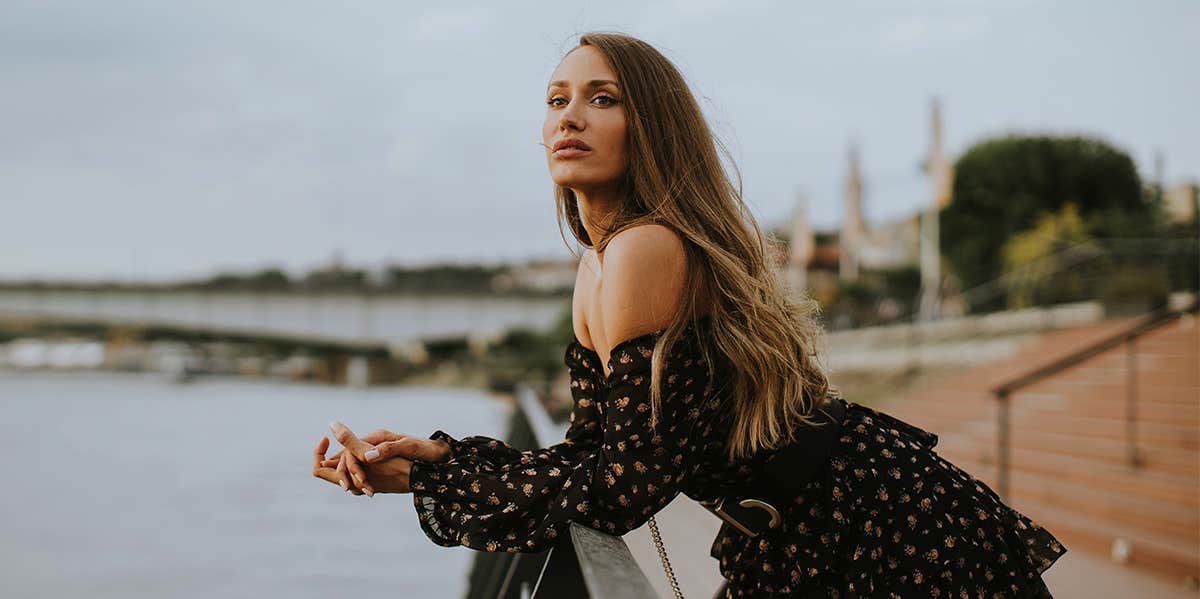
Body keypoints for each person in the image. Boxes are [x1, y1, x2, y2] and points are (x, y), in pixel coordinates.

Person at [311, 32, 1066, 597]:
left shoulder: (648, 248)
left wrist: (432, 483)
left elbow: (626, 485)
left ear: (651, 127)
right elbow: (589, 453)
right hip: (798, 534)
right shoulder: (596, 269)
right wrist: (439, 461)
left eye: (602, 98)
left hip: (872, 521)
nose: (570, 116)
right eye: (556, 100)